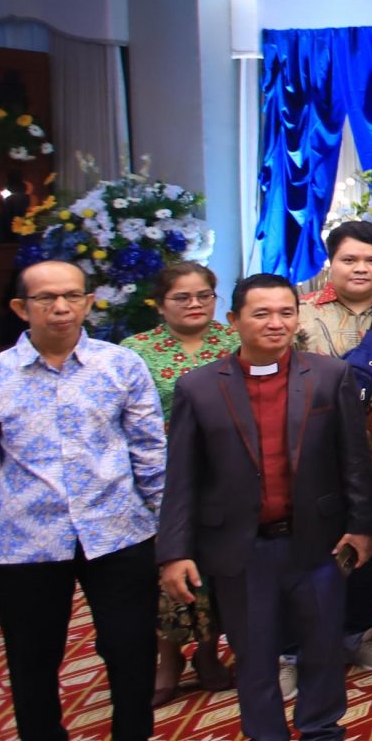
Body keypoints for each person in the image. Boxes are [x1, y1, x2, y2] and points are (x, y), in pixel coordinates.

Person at [0, 261, 179, 741]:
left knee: (131, 650)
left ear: (89, 302)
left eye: (71, 296)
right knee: (33, 660)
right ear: (21, 308)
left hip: (118, 532)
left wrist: (172, 537)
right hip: (24, 543)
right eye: (46, 299)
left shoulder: (120, 366)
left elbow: (151, 456)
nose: (61, 308)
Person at [159, 274, 372, 741]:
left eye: (285, 312)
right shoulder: (199, 388)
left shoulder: (327, 376)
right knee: (254, 653)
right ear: (233, 320)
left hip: (318, 541)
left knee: (321, 646)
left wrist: (363, 525)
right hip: (240, 546)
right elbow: (182, 477)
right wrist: (174, 552)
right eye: (261, 314)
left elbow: (354, 459)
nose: (276, 323)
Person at [296, 218, 372, 672]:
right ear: (331, 262)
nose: (361, 268)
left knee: (368, 541)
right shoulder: (300, 311)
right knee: (309, 546)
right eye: (350, 259)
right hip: (311, 454)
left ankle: (360, 632)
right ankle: (302, 642)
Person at [124, 260, 237, 705]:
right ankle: (167, 661)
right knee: (167, 570)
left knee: (216, 569)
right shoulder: (135, 351)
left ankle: (208, 653)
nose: (194, 304)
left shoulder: (234, 342)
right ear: (159, 304)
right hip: (161, 478)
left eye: (204, 296)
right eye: (182, 297)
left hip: (226, 474)